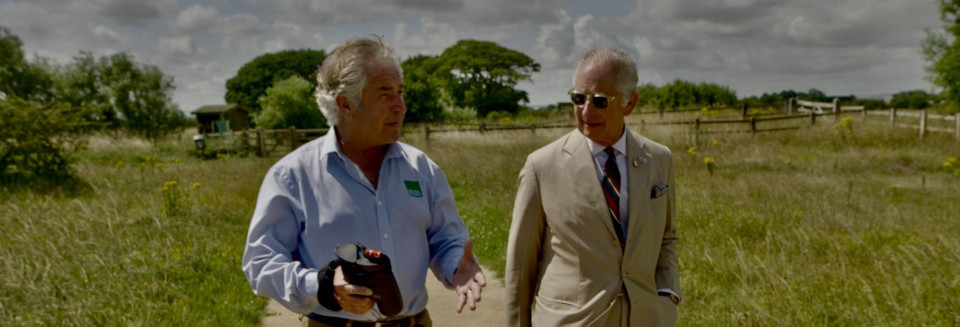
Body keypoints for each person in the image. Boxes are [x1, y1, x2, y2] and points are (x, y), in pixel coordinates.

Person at [242, 36, 485, 327]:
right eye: (384, 94)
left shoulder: (421, 168)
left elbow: (445, 238)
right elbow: (260, 263)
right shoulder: (292, 176)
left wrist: (457, 265)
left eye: (400, 92)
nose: (401, 107)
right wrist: (323, 285)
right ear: (345, 104)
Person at [505, 47, 680, 327]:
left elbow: (666, 238)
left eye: (599, 101)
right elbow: (520, 266)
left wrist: (667, 292)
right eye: (578, 98)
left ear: (629, 103)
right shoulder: (541, 166)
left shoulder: (659, 159)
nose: (585, 111)